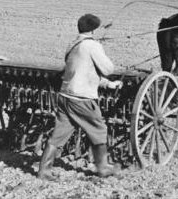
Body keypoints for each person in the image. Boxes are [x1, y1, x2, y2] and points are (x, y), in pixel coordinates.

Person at [37, 13, 122, 180]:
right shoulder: (92, 46)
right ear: (93, 30)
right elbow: (108, 69)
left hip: (65, 96)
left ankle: (44, 171)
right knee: (99, 129)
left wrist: (107, 84)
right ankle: (103, 168)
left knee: (59, 133)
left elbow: (83, 72)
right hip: (81, 99)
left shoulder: (73, 45)